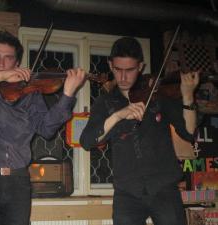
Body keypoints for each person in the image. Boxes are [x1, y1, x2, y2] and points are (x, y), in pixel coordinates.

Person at [0, 31, 86, 225]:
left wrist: (68, 94)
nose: (1, 63)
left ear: (17, 63)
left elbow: (47, 130)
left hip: (18, 181)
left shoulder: (30, 94)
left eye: (8, 58)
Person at [80, 37, 199, 225]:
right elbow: (87, 141)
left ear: (141, 67)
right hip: (127, 192)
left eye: (130, 70)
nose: (123, 77)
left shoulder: (158, 95)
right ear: (111, 65)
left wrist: (187, 95)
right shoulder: (105, 103)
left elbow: (189, 132)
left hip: (164, 187)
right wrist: (118, 115)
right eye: (118, 69)